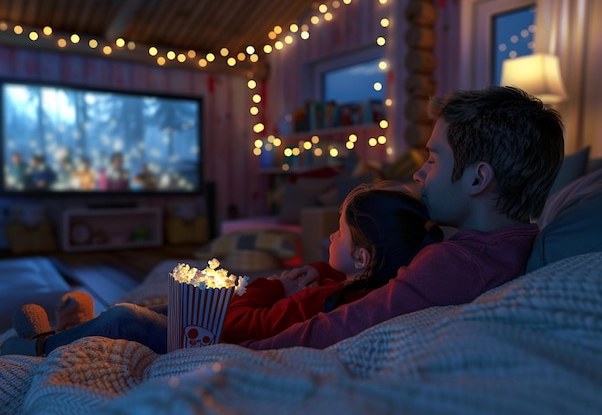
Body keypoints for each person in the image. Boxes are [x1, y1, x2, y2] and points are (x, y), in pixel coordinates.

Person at [241, 85, 564, 350]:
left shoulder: (456, 262)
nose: (419, 173)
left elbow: (348, 322)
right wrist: (322, 268)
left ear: (477, 179)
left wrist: (245, 352)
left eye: (433, 160)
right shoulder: (508, 245)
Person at [2, 183, 441, 356]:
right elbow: (319, 276)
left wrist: (273, 284)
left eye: (338, 233)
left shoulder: (326, 300)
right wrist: (307, 273)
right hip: (216, 323)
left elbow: (239, 324)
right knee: (163, 304)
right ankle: (78, 326)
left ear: (363, 258)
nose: (328, 238)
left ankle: (39, 347)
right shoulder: (347, 281)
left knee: (125, 317)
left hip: (212, 339)